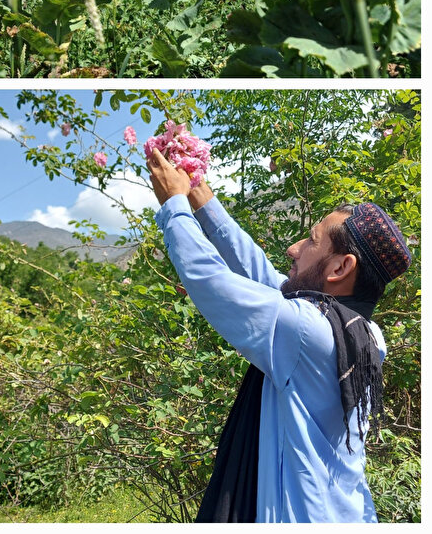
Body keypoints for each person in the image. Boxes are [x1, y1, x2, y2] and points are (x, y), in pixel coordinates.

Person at [147, 148, 412, 523]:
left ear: (339, 266)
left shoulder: (308, 330)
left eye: (310, 241)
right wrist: (201, 198)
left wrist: (174, 206)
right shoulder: (362, 331)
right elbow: (264, 275)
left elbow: (209, 280)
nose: (293, 248)